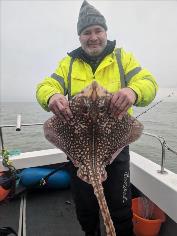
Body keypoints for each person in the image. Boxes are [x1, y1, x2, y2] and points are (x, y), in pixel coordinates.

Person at [36, 1, 158, 235]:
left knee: (120, 207)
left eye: (97, 30)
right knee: (85, 207)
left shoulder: (123, 58)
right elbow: (46, 85)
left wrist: (133, 91)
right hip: (78, 149)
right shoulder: (69, 64)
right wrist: (52, 95)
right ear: (79, 36)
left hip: (115, 147)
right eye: (86, 32)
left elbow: (149, 83)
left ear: (105, 32)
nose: (93, 37)